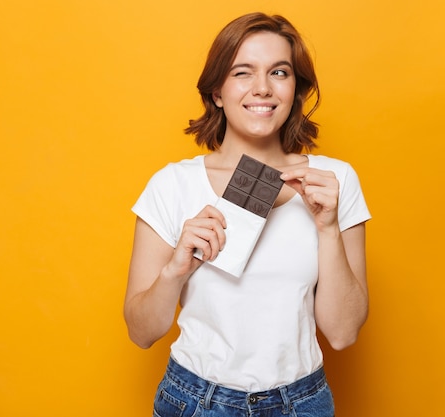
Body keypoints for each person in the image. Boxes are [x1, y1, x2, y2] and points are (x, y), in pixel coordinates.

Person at [124, 12, 371, 417]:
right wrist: (175, 269)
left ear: (295, 88)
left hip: (300, 402)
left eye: (279, 72)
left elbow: (343, 334)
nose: (262, 88)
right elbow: (141, 332)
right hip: (194, 399)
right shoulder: (172, 185)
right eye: (243, 72)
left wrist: (327, 228)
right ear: (217, 91)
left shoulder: (333, 181)